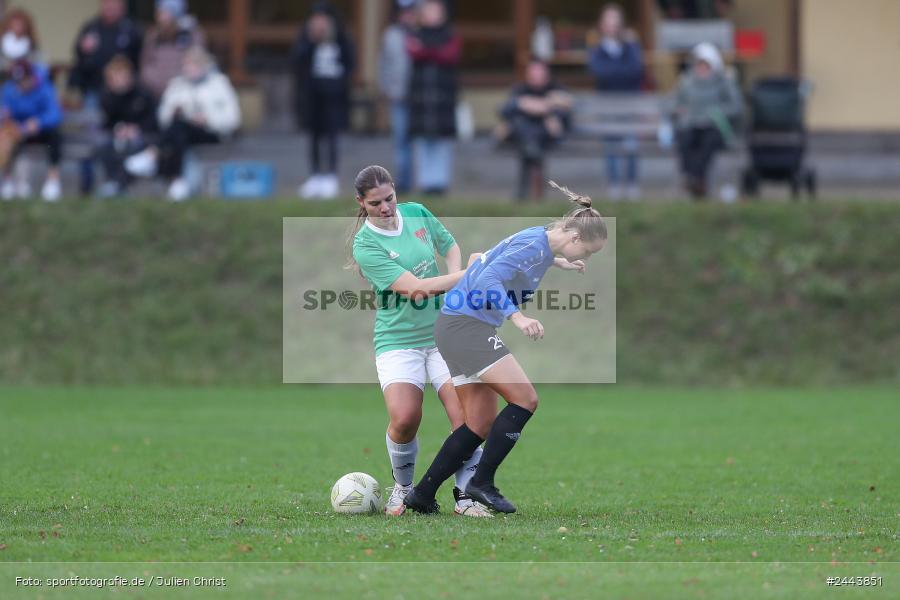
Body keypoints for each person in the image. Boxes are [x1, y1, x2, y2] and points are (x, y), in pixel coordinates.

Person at [404, 181, 607, 514]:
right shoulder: (535, 246)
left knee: (479, 424)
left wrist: (560, 263)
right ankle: (482, 483)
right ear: (574, 238)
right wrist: (517, 317)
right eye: (586, 251)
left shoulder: (539, 240)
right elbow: (486, 278)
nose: (585, 256)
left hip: (454, 326)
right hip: (466, 327)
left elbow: (496, 257)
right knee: (525, 399)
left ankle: (422, 495)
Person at [350, 164, 491, 517]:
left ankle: (466, 495)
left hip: (444, 334)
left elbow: (449, 244)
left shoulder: (416, 213)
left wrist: (455, 282)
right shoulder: (365, 244)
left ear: (396, 191)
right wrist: (466, 277)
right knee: (405, 417)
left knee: (466, 418)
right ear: (361, 203)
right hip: (398, 340)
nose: (386, 208)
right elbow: (414, 290)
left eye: (389, 198)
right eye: (375, 203)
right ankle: (404, 487)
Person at [124, 47, 240, 201]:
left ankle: (153, 156)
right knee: (179, 128)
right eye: (187, 65)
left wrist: (208, 119)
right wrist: (173, 112)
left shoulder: (219, 84)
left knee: (177, 131)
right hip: (182, 132)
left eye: (193, 65)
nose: (189, 69)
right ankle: (178, 181)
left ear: (204, 66)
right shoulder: (177, 84)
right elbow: (163, 116)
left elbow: (233, 118)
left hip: (212, 132)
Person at [68, 0, 143, 195]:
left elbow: (138, 58)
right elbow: (78, 55)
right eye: (107, 4)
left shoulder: (131, 29)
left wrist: (125, 82)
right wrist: (83, 49)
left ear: (122, 7)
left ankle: (116, 183)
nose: (110, 8)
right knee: (90, 140)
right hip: (94, 92)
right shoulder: (91, 27)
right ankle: (87, 185)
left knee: (117, 139)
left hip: (123, 93)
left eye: (115, 4)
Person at [292, 2, 355, 200]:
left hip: (335, 96)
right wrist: (312, 40)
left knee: (332, 136)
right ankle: (315, 176)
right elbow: (297, 61)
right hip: (313, 95)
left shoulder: (341, 37)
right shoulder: (306, 37)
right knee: (314, 137)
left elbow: (351, 62)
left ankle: (331, 177)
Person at [671, 42, 743, 199]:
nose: (702, 69)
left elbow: (736, 106)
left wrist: (717, 112)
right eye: (699, 65)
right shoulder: (687, 82)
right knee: (684, 138)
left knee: (709, 140)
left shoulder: (724, 81)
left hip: (714, 126)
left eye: (706, 65)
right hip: (691, 125)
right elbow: (676, 103)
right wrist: (679, 110)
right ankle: (694, 179)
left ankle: (694, 178)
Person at [588, 3, 644, 200]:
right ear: (601, 24)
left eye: (615, 20)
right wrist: (620, 71)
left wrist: (614, 72)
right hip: (607, 106)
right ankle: (613, 184)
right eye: (608, 20)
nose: (612, 25)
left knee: (631, 145)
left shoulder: (631, 47)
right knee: (610, 146)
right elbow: (599, 73)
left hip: (629, 105)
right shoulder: (597, 50)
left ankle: (631, 183)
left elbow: (636, 71)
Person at [497, 58, 571, 200]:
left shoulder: (556, 89)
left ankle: (522, 193)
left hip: (548, 137)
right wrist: (524, 103)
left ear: (547, 73)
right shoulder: (520, 89)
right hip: (522, 136)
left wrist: (537, 106)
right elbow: (504, 110)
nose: (536, 75)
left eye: (539, 71)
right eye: (533, 71)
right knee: (523, 126)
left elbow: (565, 112)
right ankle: (532, 191)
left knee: (532, 133)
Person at [407, 0, 460, 196]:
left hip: (443, 99)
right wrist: (432, 52)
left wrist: (427, 51)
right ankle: (426, 182)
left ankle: (440, 182)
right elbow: (413, 51)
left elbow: (450, 55)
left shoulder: (450, 36)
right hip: (421, 99)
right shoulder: (415, 34)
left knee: (442, 142)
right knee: (422, 142)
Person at [0, 60, 63, 201]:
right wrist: (6, 117)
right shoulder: (10, 89)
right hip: (19, 132)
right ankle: (8, 180)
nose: (21, 85)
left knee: (55, 137)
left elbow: (55, 114)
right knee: (6, 137)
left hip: (41, 131)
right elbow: (4, 110)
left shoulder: (45, 88)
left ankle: (53, 181)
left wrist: (38, 122)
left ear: (31, 76)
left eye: (24, 80)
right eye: (18, 82)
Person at [96, 55, 158, 198]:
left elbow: (152, 121)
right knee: (105, 149)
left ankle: (118, 185)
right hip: (117, 137)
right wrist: (119, 129)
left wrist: (136, 130)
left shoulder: (144, 94)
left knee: (131, 151)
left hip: (143, 137)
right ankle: (117, 185)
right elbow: (107, 122)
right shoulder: (107, 97)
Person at [377, 0, 417, 194]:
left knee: (420, 142)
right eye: (404, 12)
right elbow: (383, 64)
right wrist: (386, 88)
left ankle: (426, 182)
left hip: (420, 99)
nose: (407, 16)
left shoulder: (421, 33)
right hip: (398, 96)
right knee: (401, 140)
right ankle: (404, 181)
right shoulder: (390, 35)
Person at [140, 0, 205, 99]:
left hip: (184, 94)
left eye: (165, 13)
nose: (161, 18)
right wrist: (156, 83)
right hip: (154, 93)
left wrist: (175, 84)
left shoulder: (192, 34)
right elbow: (145, 65)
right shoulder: (153, 35)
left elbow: (197, 62)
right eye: (159, 13)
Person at [0, 8, 45, 74]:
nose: (17, 27)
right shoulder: (2, 44)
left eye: (20, 24)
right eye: (14, 24)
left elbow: (40, 64)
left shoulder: (32, 46)